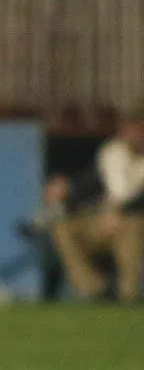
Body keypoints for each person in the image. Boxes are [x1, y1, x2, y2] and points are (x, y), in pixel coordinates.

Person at [46, 108, 144, 304]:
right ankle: (93, 289)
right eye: (131, 129)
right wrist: (67, 188)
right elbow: (89, 183)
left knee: (132, 227)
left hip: (133, 222)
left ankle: (128, 295)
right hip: (104, 222)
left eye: (139, 130)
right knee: (63, 229)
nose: (135, 135)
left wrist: (120, 213)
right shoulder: (112, 153)